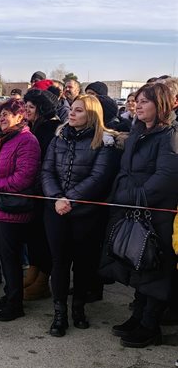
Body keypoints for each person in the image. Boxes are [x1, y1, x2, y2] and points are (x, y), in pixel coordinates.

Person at [100, 83, 178, 348]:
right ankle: (138, 316)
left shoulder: (169, 135)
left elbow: (166, 177)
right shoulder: (137, 132)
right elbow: (125, 170)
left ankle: (150, 324)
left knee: (154, 266)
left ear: (162, 105)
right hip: (131, 208)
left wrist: (135, 198)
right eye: (138, 100)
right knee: (136, 263)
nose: (138, 105)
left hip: (156, 213)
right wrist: (118, 197)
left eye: (145, 101)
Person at [42, 94, 120, 337]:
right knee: (59, 262)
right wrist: (57, 197)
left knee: (84, 264)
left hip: (86, 213)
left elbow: (98, 177)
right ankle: (59, 313)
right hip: (56, 210)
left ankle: (78, 309)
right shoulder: (59, 137)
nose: (71, 114)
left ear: (92, 115)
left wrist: (70, 199)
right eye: (72, 109)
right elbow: (47, 170)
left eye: (79, 110)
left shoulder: (104, 142)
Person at [0, 98, 41, 321]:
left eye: (8, 114)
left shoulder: (27, 140)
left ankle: (16, 303)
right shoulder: (2, 139)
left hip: (12, 208)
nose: (3, 118)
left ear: (20, 116)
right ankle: (9, 294)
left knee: (10, 257)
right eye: (1, 113)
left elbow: (23, 177)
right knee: (3, 256)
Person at [21, 89, 62, 301]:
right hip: (32, 191)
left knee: (44, 237)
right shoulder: (34, 126)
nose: (26, 110)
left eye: (31, 107)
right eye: (25, 106)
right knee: (33, 235)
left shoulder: (52, 128)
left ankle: (43, 279)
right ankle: (34, 270)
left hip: (45, 191)